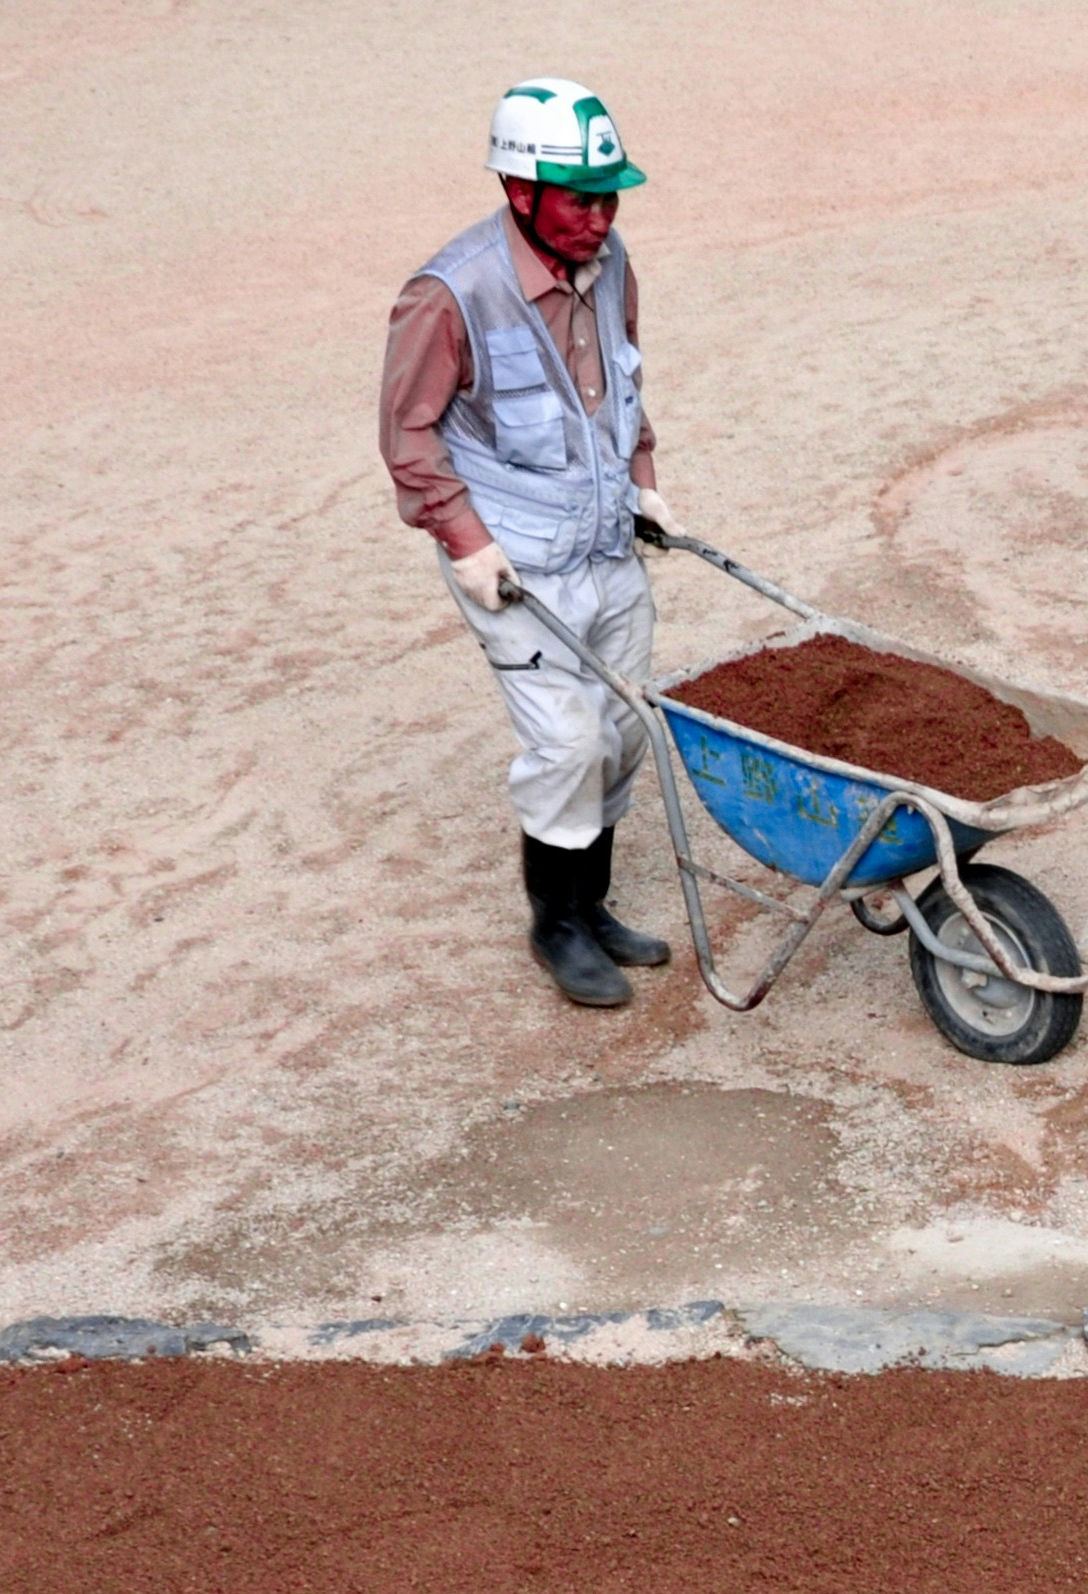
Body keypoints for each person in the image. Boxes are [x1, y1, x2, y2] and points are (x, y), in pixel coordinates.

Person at [380, 77, 676, 1007]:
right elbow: (408, 434)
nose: (601, 217)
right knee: (566, 742)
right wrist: (464, 540)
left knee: (623, 726)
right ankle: (554, 924)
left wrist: (646, 483)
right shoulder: (449, 294)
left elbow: (622, 383)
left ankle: (592, 906)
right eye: (582, 199)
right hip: (513, 562)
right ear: (521, 192)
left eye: (610, 195)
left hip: (602, 544)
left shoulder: (612, 259)